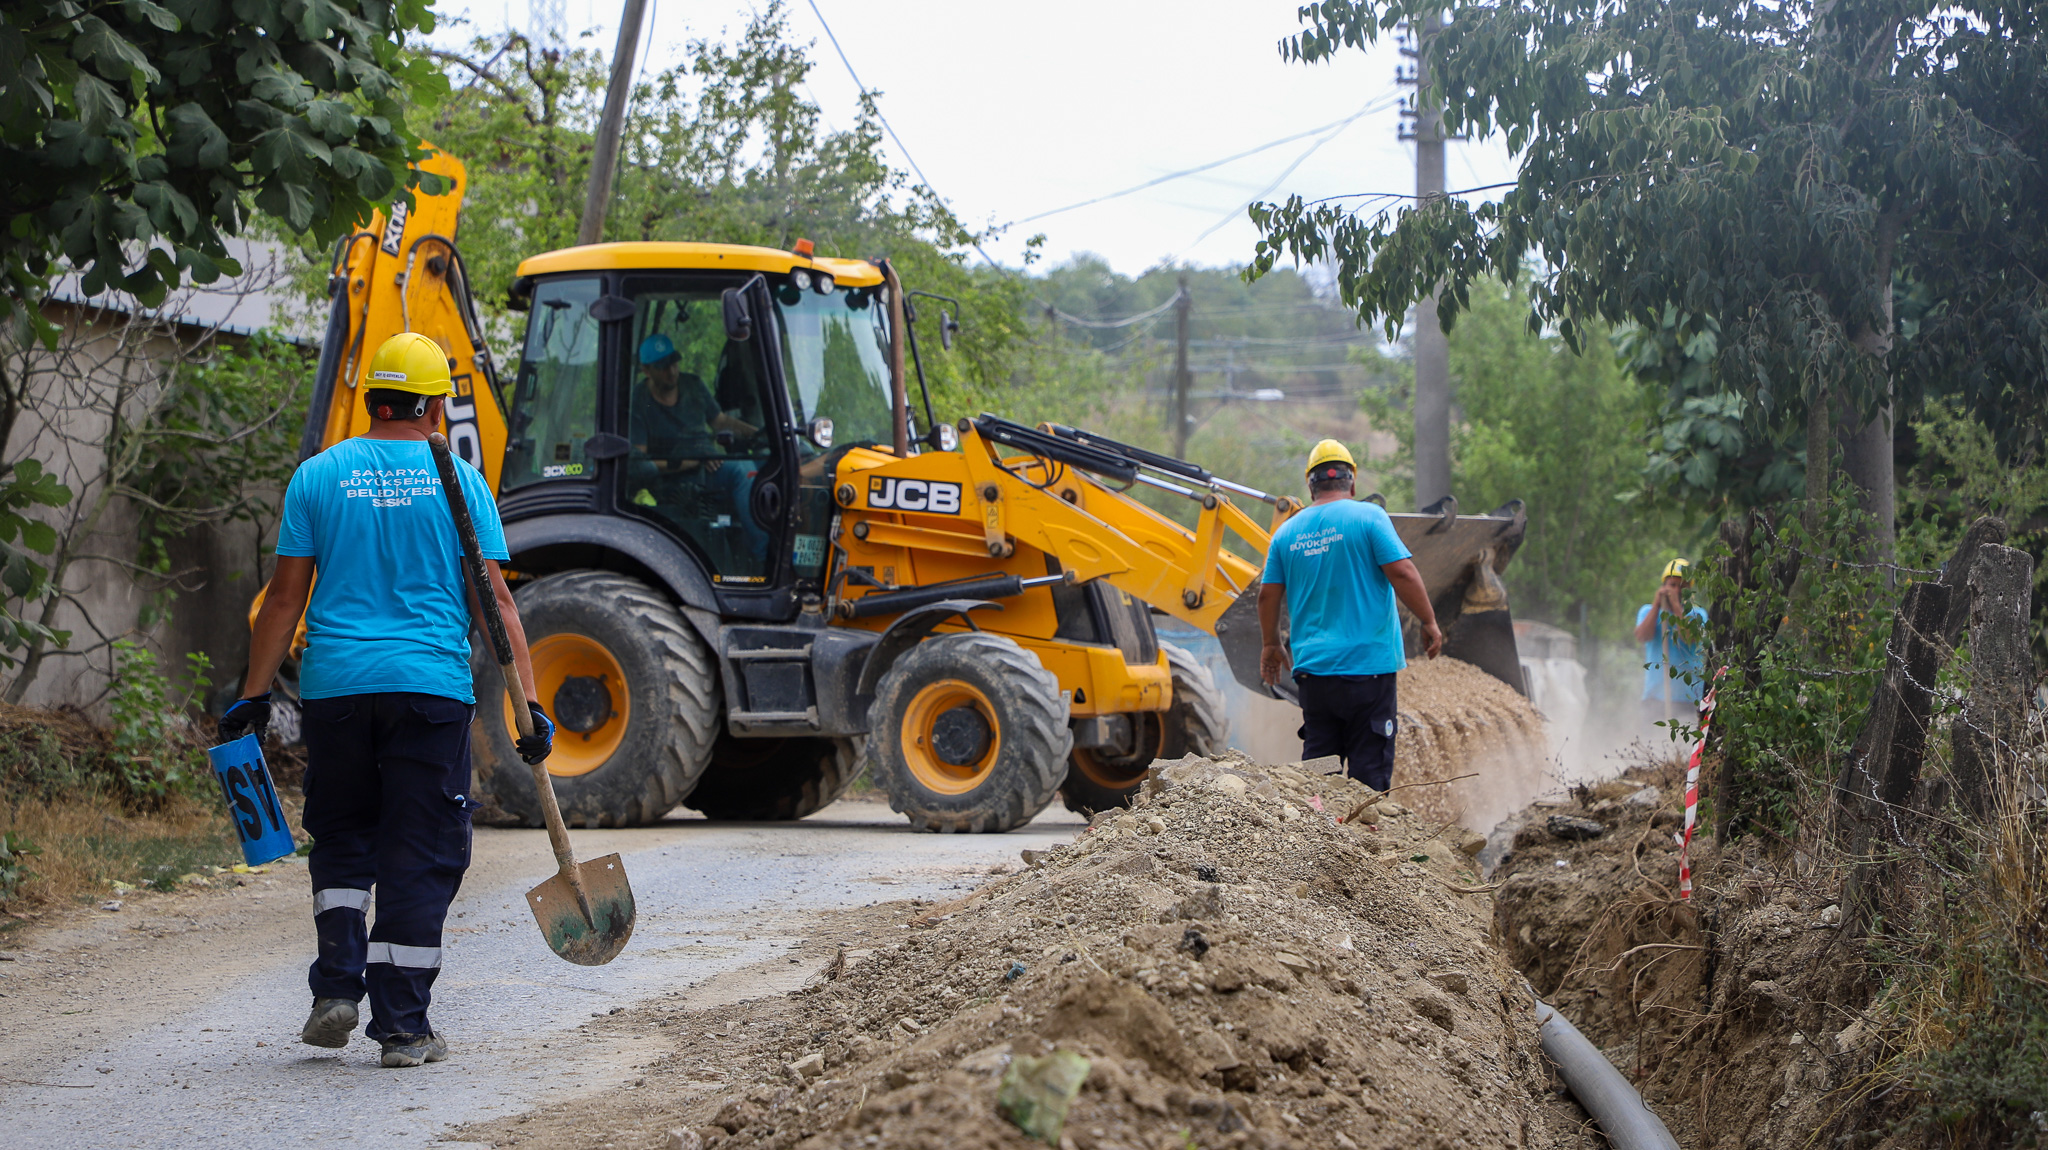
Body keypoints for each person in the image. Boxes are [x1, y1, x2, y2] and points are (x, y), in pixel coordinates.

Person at [218, 332, 554, 1069]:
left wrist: (250, 696)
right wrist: (529, 705)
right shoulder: (460, 481)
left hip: (335, 691)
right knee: (420, 849)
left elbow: (283, 601)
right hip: (429, 691)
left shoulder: (317, 476)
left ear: (371, 397)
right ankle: (402, 1027)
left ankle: (335, 989)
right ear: (436, 405)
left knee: (342, 836)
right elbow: (495, 600)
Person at [1257, 440, 1443, 791]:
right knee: (1368, 773)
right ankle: (1366, 840)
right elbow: (1402, 573)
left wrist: (1270, 644)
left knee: (1320, 769)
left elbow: (1267, 595)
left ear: (1311, 485)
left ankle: (1319, 836)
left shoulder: (1286, 534)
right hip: (1368, 674)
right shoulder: (1370, 517)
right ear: (1352, 483)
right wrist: (1429, 621)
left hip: (1314, 675)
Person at [628, 333, 765, 556]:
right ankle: (760, 555)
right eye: (662, 366)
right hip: (675, 477)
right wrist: (692, 460)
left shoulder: (693, 385)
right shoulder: (639, 402)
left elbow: (719, 421)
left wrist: (761, 435)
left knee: (766, 461)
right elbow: (640, 462)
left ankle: (775, 549)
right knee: (743, 471)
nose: (672, 371)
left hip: (708, 464)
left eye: (673, 362)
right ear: (646, 370)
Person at [1634, 558, 1709, 738]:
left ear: (1689, 589)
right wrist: (1656, 606)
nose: (1676, 590)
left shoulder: (1698, 615)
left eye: (1681, 586)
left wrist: (1676, 607)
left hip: (1689, 698)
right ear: (1663, 586)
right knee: (1650, 745)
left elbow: (1690, 638)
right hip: (1655, 697)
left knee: (1685, 748)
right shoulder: (1647, 611)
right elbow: (1642, 636)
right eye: (1672, 585)